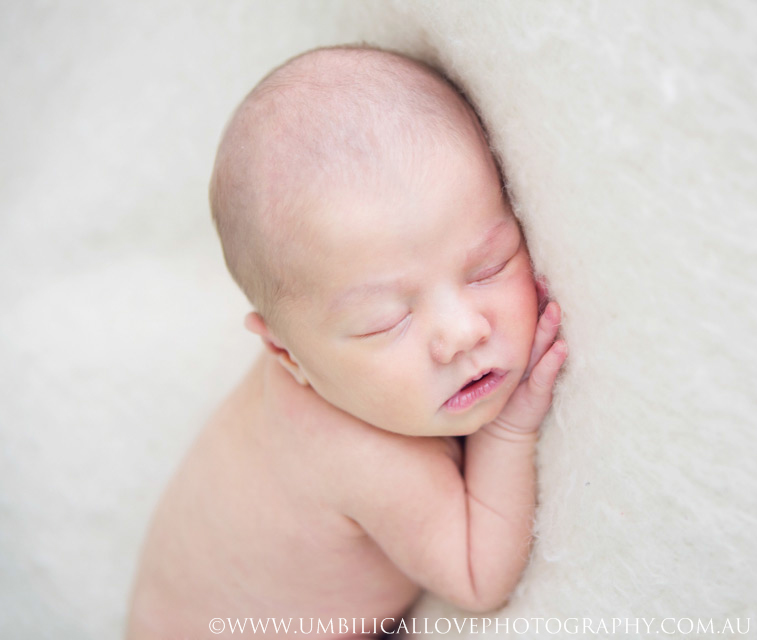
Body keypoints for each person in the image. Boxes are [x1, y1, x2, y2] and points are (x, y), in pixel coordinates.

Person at [126, 44, 567, 639]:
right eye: (385, 322)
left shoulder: (344, 371)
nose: (464, 333)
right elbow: (478, 576)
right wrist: (509, 429)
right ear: (290, 357)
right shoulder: (360, 453)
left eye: (489, 265)